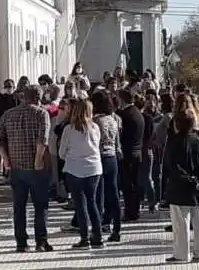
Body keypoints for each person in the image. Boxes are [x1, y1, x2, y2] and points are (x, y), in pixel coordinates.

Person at [0, 85, 53, 253]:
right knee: (40, 205)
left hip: (16, 166)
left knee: (19, 206)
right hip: (36, 167)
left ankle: (21, 243)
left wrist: (5, 159)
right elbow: (43, 139)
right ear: (39, 98)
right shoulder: (42, 114)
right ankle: (41, 242)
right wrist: (38, 159)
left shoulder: (9, 114)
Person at [163, 106, 199, 264]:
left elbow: (172, 166)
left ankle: (181, 254)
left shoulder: (174, 142)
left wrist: (188, 178)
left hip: (180, 189)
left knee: (181, 223)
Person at [59, 98, 104, 250]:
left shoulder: (69, 129)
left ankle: (84, 238)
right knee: (92, 202)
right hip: (94, 168)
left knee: (80, 204)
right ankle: (97, 236)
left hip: (74, 168)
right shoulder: (95, 128)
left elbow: (61, 153)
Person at [92, 90, 122, 242]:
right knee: (113, 193)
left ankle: (98, 228)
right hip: (112, 157)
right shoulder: (113, 119)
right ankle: (117, 227)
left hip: (99, 157)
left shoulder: (96, 121)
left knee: (98, 194)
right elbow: (117, 142)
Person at [115, 89, 145, 222]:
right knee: (134, 183)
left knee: (128, 184)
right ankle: (134, 210)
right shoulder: (138, 112)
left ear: (121, 99)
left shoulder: (124, 115)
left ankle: (130, 212)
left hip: (127, 153)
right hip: (137, 152)